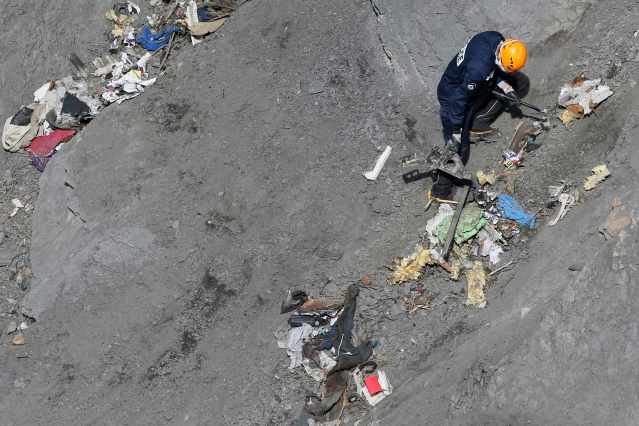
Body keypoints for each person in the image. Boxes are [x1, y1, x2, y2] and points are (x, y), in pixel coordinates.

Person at [433, 31, 529, 198]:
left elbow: (494, 71)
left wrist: (507, 88)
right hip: (452, 93)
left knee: (520, 82)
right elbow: (459, 100)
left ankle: (477, 124)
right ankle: (440, 191)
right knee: (459, 149)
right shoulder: (479, 69)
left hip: (470, 81)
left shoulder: (495, 38)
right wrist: (456, 130)